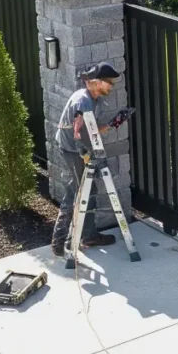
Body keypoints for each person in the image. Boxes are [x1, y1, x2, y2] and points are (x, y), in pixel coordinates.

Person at [50, 61, 122, 257]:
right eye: (109, 83)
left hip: (78, 148)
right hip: (73, 150)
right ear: (98, 82)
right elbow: (78, 130)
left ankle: (88, 236)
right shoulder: (83, 101)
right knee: (77, 191)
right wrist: (84, 154)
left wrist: (110, 125)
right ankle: (59, 241)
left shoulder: (93, 99)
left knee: (89, 189)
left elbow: (90, 128)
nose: (111, 86)